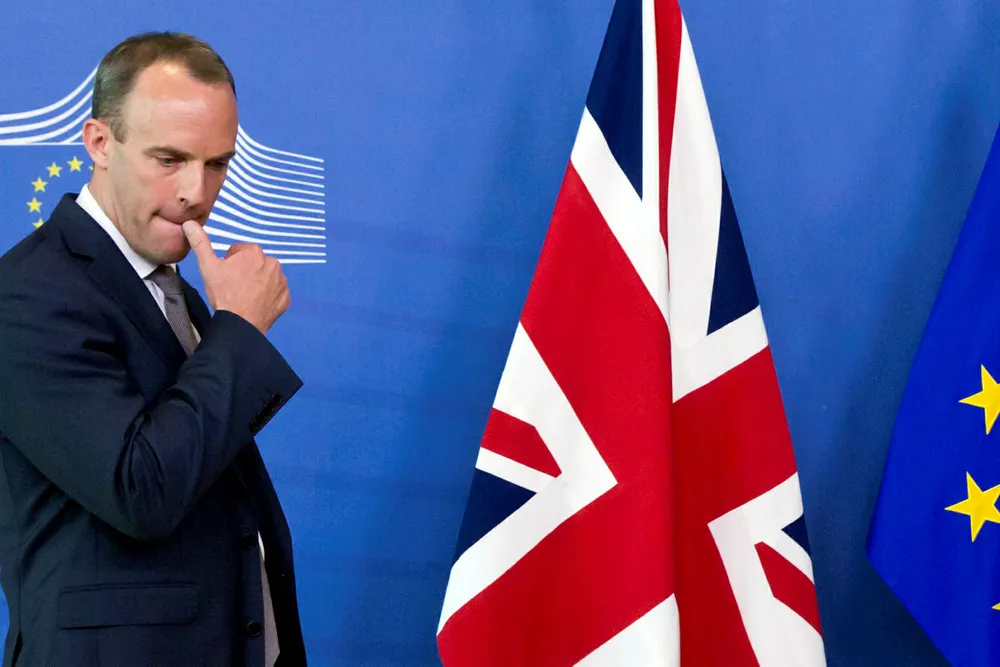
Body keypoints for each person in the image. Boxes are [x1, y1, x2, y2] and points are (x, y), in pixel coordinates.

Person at [0, 32, 306, 666]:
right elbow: (139, 490)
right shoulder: (27, 293)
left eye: (217, 163)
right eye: (170, 159)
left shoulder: (172, 290)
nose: (198, 190)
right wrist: (239, 331)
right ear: (99, 143)